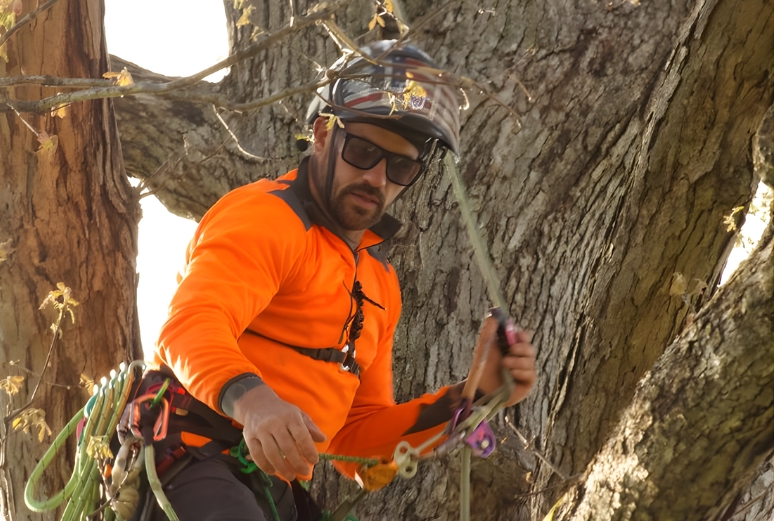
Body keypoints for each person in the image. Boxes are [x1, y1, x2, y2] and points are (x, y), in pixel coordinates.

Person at [150, 40, 537, 521]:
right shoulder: (267, 217)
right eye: (362, 151)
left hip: (266, 484)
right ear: (321, 135)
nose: (377, 179)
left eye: (400, 166)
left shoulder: (379, 284)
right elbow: (188, 325)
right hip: (189, 453)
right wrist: (255, 404)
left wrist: (473, 395)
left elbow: (357, 438)